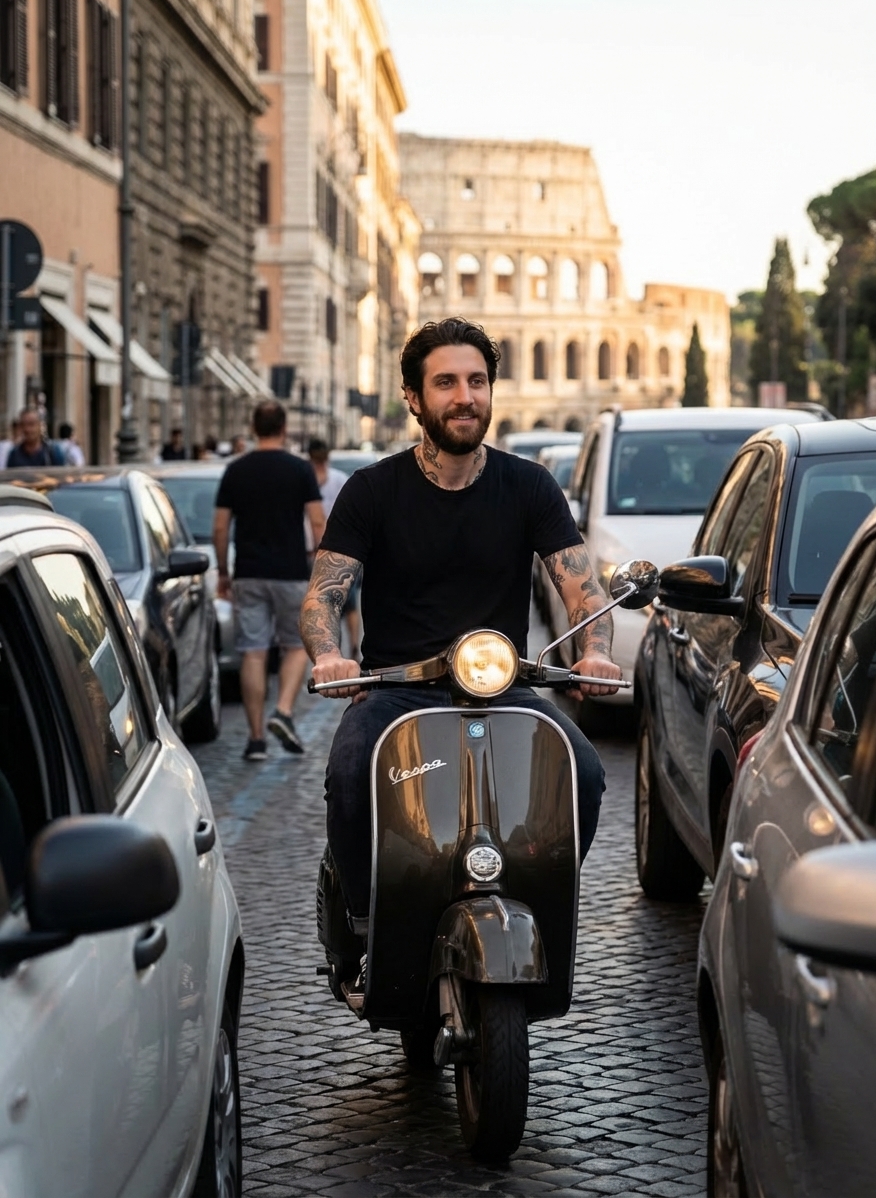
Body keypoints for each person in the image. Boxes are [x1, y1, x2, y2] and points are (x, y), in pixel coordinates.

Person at [301, 317, 622, 935]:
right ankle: (367, 923)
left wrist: (596, 652)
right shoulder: (371, 490)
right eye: (445, 382)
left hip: (505, 687)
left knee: (583, 772)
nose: (465, 396)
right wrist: (328, 656)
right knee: (348, 776)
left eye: (477, 381)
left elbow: (583, 589)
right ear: (415, 399)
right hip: (396, 689)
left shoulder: (529, 485)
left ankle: (543, 906)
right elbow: (322, 597)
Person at [215, 399, 326, 761]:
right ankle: (284, 710)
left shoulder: (236, 470)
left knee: (253, 651)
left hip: (248, 572)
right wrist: (320, 563)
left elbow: (220, 526)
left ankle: (256, 738)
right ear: (283, 427)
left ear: (253, 427)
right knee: (296, 646)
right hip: (291, 571)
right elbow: (317, 521)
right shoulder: (300, 470)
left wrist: (222, 571)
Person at [305, 438, 361, 658]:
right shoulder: (340, 479)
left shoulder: (310, 479)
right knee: (348, 604)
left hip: (321, 549)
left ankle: (332, 650)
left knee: (321, 601)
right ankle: (352, 645)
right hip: (342, 550)